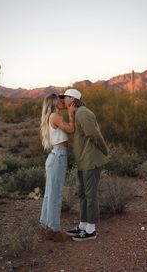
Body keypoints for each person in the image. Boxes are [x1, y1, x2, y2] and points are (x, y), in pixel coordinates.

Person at [59, 88, 109, 241]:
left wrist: (106, 151)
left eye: (65, 97)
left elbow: (94, 134)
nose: (63, 100)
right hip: (83, 160)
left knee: (90, 195)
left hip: (90, 160)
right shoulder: (77, 113)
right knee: (83, 194)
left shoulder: (83, 113)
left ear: (72, 99)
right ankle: (83, 225)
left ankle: (91, 230)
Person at [39, 93, 75, 242]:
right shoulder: (55, 116)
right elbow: (71, 129)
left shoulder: (52, 116)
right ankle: (53, 230)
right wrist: (71, 114)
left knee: (49, 193)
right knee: (56, 195)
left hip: (55, 156)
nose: (63, 102)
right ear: (54, 103)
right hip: (58, 156)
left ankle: (44, 224)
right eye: (60, 100)